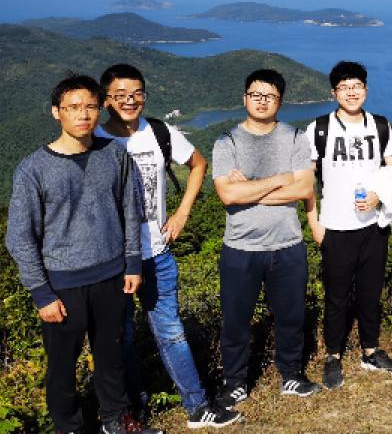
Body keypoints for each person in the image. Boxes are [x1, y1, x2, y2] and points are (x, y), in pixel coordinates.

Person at [5, 74, 160, 434]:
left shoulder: (114, 156)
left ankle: (115, 421)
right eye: (73, 107)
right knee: (62, 366)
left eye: (90, 106)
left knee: (111, 357)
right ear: (56, 112)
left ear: (100, 107)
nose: (83, 115)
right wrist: (41, 292)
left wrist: (132, 263)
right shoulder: (33, 169)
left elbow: (130, 211)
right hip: (62, 284)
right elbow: (20, 237)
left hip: (111, 277)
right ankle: (69, 428)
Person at [97, 64, 240, 429]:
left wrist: (181, 214)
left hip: (157, 253)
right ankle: (134, 411)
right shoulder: (94, 141)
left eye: (137, 93)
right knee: (122, 337)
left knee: (171, 331)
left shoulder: (158, 131)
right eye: (121, 95)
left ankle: (197, 406)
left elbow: (198, 164)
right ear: (105, 99)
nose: (130, 101)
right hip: (112, 261)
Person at [212, 69, 319, 409]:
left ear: (280, 101)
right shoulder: (226, 141)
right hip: (240, 248)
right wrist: (279, 180)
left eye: (269, 96)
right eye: (255, 94)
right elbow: (227, 196)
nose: (262, 101)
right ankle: (235, 383)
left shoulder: (295, 138)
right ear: (245, 98)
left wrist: (249, 190)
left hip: (287, 244)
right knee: (235, 320)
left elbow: (304, 188)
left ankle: (291, 374)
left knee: (291, 316)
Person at [304, 61, 392, 389]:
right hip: (335, 225)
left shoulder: (380, 126)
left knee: (370, 294)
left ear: (365, 89)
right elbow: (306, 181)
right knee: (336, 296)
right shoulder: (318, 129)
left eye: (357, 85)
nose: (351, 91)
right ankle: (333, 356)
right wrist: (314, 222)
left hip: (374, 226)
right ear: (334, 92)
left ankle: (371, 350)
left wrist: (379, 197)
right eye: (344, 87)